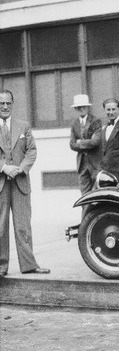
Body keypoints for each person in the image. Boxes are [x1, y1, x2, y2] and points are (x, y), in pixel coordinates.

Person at [0, 89, 50, 278]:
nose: (5, 106)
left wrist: (21, 168)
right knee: (0, 226)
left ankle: (29, 265)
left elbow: (32, 151)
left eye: (8, 103)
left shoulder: (23, 126)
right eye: (1, 103)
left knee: (23, 225)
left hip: (20, 182)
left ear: (13, 104)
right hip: (1, 182)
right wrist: (4, 168)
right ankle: (1, 267)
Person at [69, 94, 102, 206]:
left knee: (97, 194)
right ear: (75, 109)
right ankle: (85, 221)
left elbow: (96, 142)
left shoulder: (96, 121)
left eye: (83, 106)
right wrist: (86, 142)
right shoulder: (74, 123)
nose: (81, 109)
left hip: (95, 164)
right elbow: (72, 145)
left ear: (88, 108)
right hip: (82, 164)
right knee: (84, 197)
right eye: (78, 107)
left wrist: (80, 142)